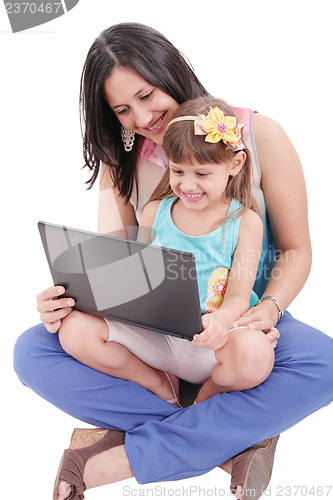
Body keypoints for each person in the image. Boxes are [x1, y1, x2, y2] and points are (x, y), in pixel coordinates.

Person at [13, 22, 333, 500]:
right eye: (123, 109)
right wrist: (68, 299)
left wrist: (266, 310)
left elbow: (297, 249)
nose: (142, 117)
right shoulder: (122, 160)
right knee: (33, 350)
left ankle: (122, 456)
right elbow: (117, 263)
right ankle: (225, 441)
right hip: (159, 326)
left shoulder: (255, 135)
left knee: (324, 364)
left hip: (237, 318)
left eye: (147, 94)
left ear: (171, 72)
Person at [57, 97, 275, 408]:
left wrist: (222, 322)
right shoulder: (155, 211)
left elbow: (239, 296)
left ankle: (200, 402)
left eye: (202, 174)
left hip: (210, 346)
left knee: (255, 354)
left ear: (234, 165)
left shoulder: (245, 222)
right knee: (74, 331)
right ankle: (159, 386)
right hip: (157, 338)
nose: (188, 185)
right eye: (178, 171)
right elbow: (138, 278)